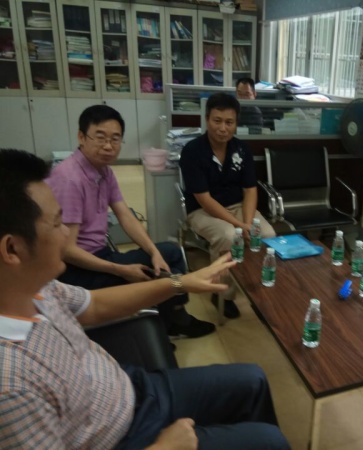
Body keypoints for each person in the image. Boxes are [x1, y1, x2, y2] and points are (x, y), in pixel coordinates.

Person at [0, 148, 290, 450]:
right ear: (12, 249)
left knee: (254, 379)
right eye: (57, 223)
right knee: (271, 442)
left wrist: (181, 282)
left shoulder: (38, 287)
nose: (66, 236)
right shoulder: (10, 386)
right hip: (124, 437)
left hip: (131, 389)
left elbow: (94, 304)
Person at [46, 105, 215, 339]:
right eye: (100, 137)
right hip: (77, 272)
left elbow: (125, 215)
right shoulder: (70, 179)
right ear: (81, 137)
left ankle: (168, 321)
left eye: (115, 139)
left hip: (100, 256)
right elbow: (66, 250)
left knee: (167, 255)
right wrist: (121, 270)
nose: (108, 146)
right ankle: (168, 324)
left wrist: (153, 251)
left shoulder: (104, 171)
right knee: (168, 264)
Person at [180, 93, 276, 319]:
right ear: (207, 119)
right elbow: (204, 199)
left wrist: (248, 223)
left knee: (267, 235)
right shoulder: (193, 151)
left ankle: (258, 291)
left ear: (236, 123)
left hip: (238, 207)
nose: (223, 128)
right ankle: (222, 293)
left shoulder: (241, 149)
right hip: (203, 211)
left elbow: (250, 190)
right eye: (217, 121)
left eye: (229, 122)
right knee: (228, 236)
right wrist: (238, 225)